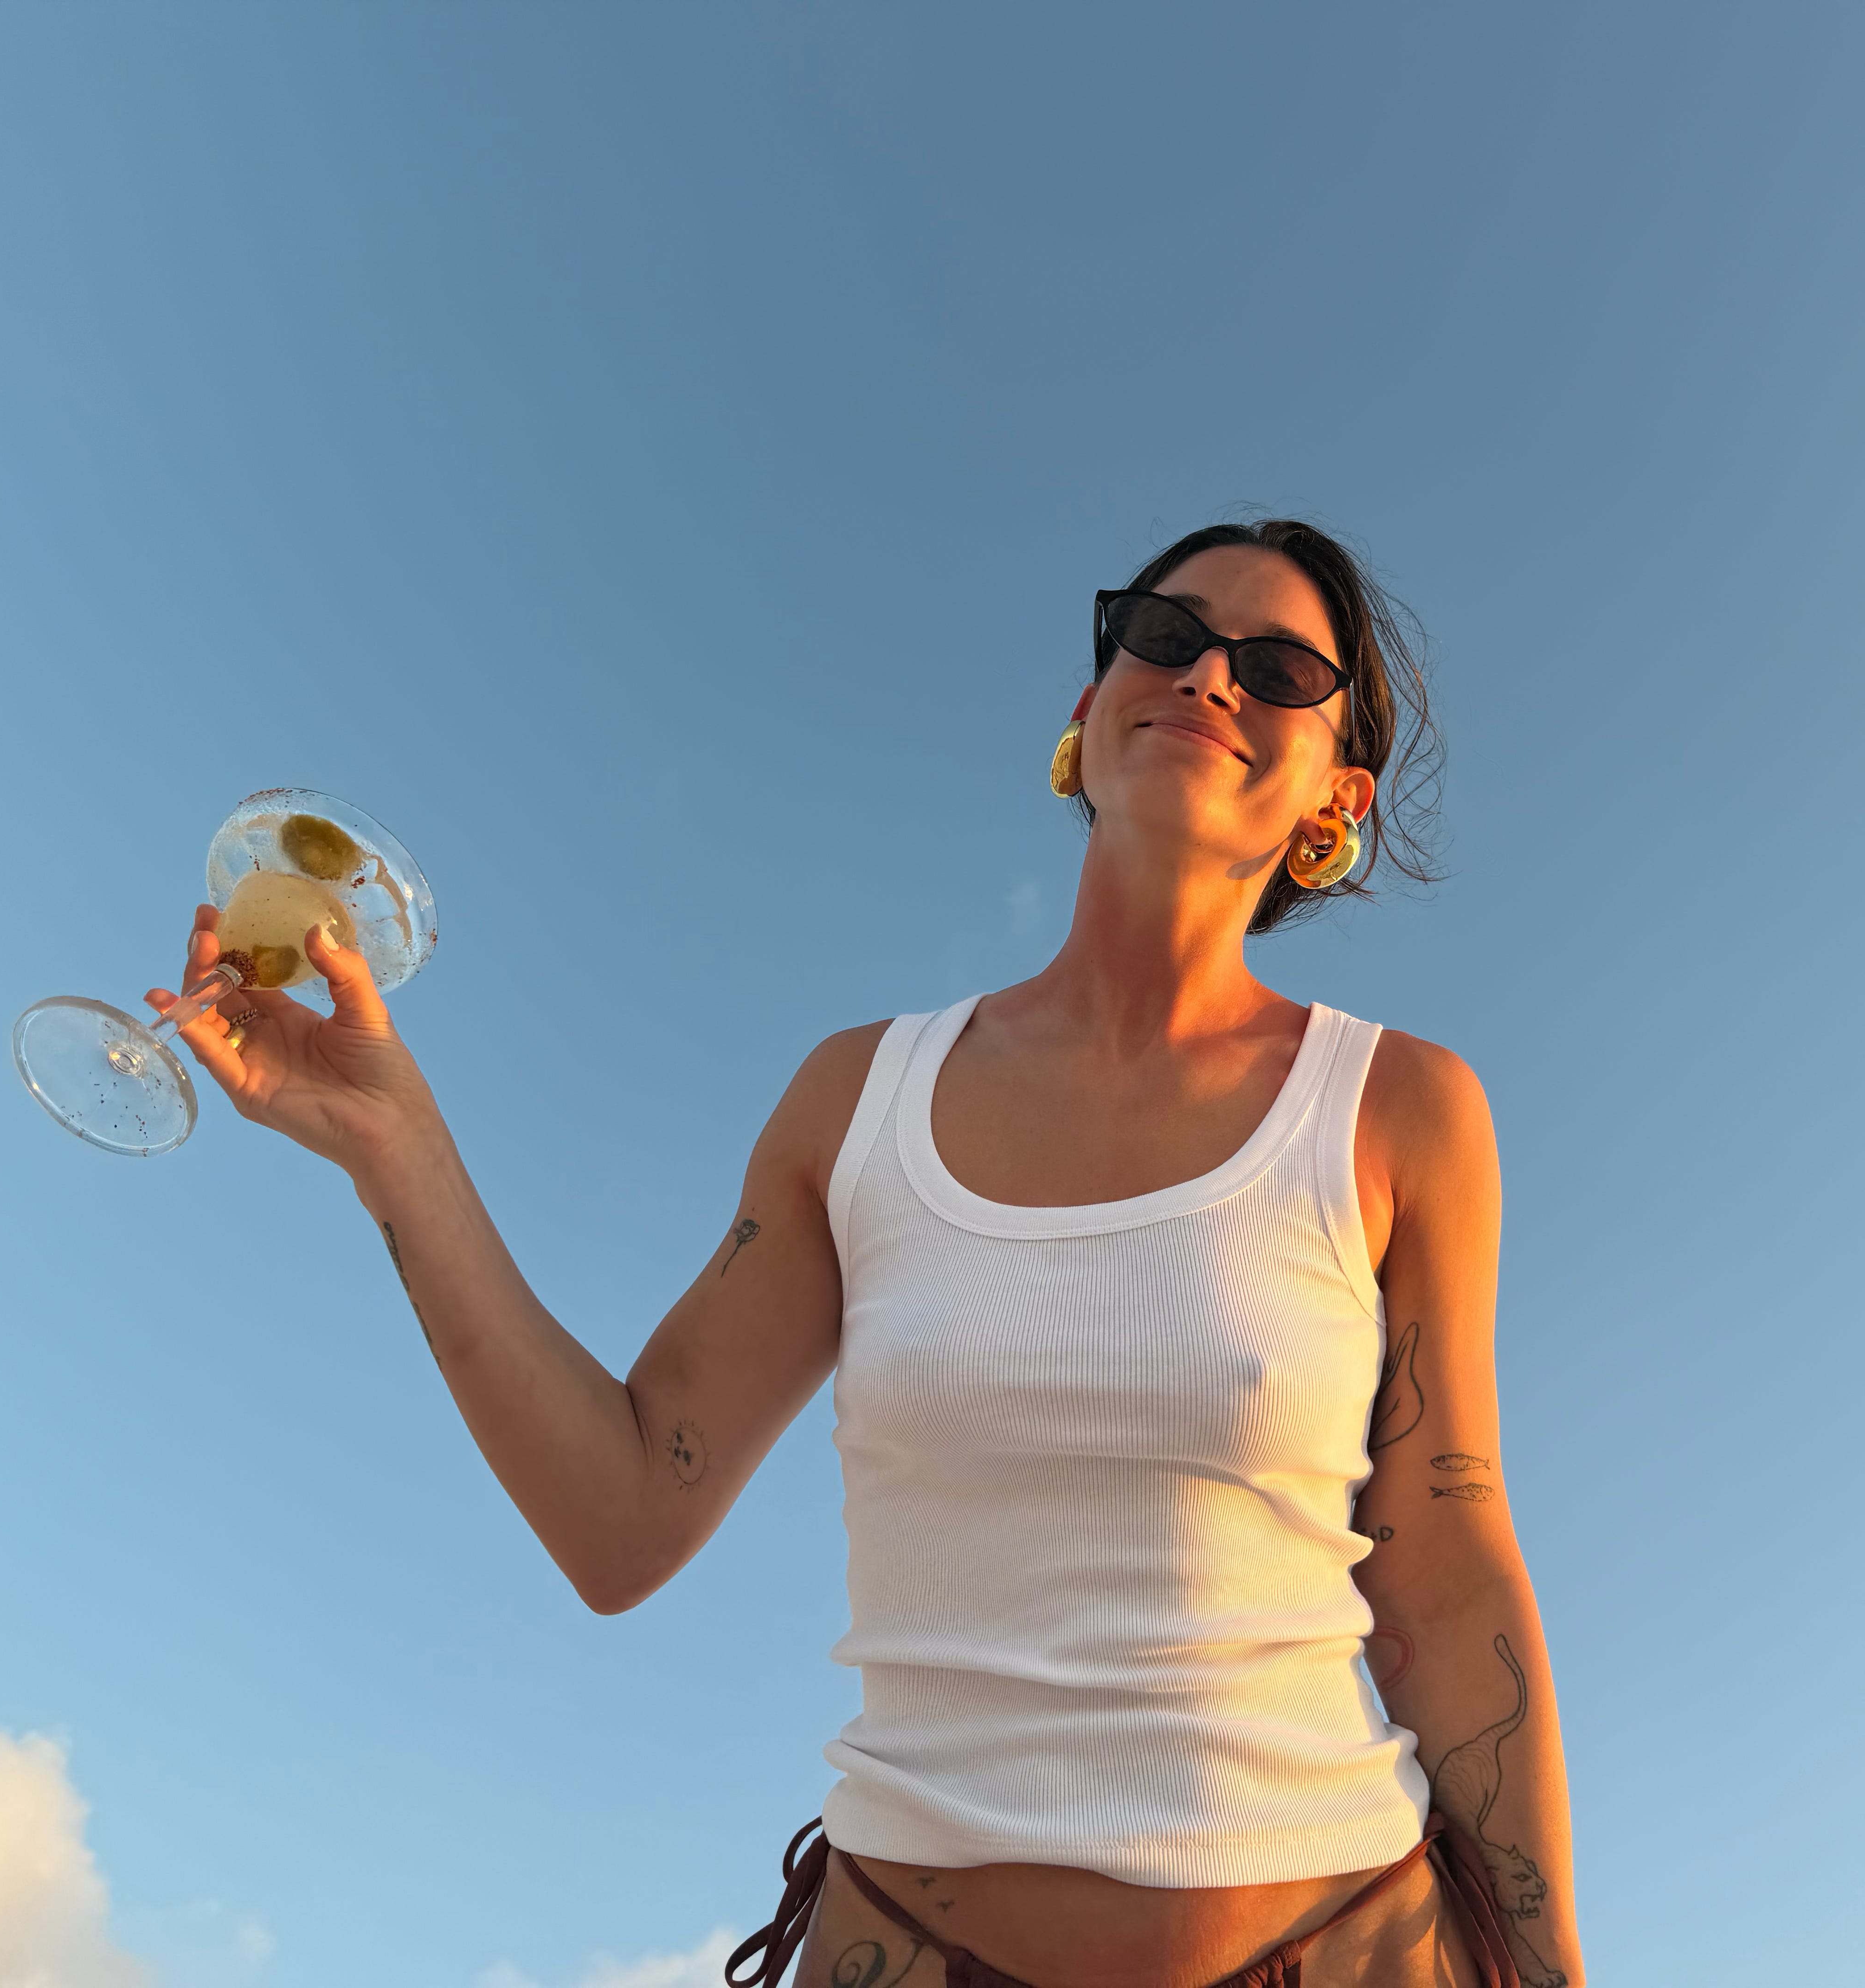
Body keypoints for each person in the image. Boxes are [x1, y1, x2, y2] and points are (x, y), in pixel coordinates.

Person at [155, 520, 1583, 1988]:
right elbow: (622, 1518)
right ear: (1088, 707)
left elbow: (1451, 1580)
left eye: (1277, 669)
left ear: (1339, 796)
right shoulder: (858, 1099)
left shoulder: (1401, 1108)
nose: (1210, 676)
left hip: (1342, 1945)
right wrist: (396, 1149)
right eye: (1165, 635)